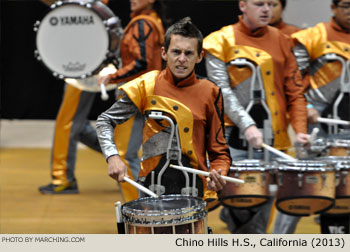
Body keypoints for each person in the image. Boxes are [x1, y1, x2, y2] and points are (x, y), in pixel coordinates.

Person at [39, 0, 166, 200]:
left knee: (125, 154)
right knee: (124, 151)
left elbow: (142, 62)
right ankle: (143, 210)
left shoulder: (143, 24)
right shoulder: (150, 21)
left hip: (135, 94)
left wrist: (113, 76)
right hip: (143, 93)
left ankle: (140, 212)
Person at [96, 17, 231, 201]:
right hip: (151, 189)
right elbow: (105, 120)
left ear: (199, 57)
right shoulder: (146, 85)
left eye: (189, 53)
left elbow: (219, 152)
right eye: (176, 52)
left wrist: (218, 173)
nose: (181, 59)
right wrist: (112, 156)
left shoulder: (210, 91)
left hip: (194, 192)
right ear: (164, 53)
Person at [203, 0, 309, 233]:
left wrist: (300, 130)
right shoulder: (219, 41)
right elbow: (222, 92)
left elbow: (295, 92)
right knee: (242, 209)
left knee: (261, 212)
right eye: (259, 4)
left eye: (270, 4)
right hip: (232, 140)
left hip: (273, 139)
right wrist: (247, 125)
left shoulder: (283, 41)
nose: (266, 10)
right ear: (242, 5)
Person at [274, 0, 350, 234]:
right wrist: (306, 106)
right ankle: (278, 241)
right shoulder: (312, 37)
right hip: (318, 127)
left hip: (347, 128)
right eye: (346, 5)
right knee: (301, 189)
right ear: (333, 7)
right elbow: (294, 80)